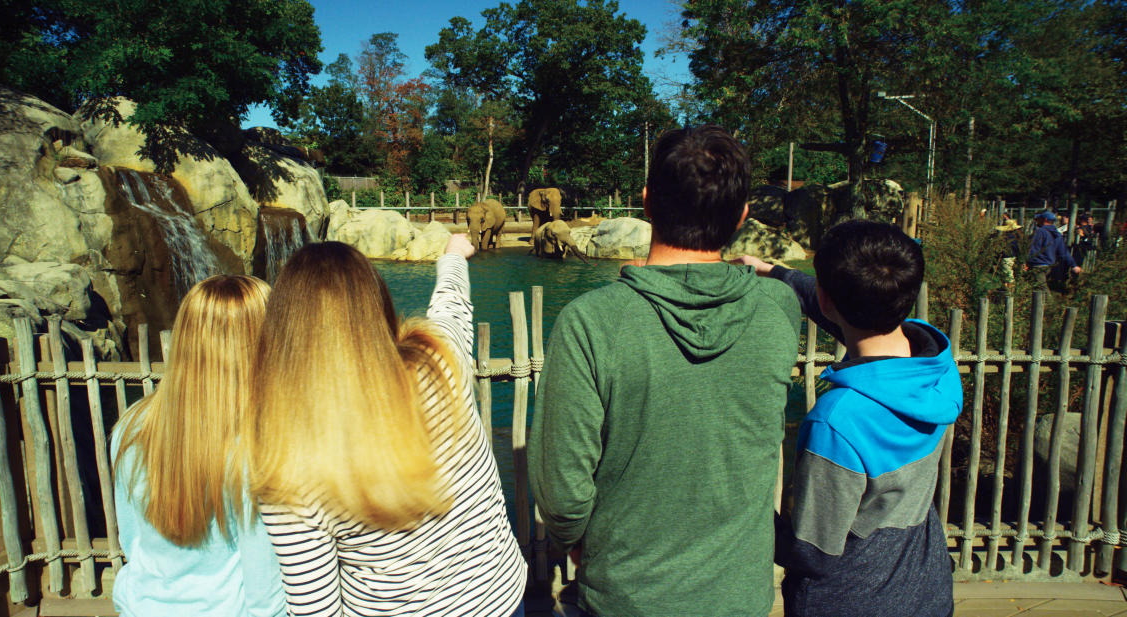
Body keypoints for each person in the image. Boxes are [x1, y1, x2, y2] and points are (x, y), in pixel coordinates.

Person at [529, 124, 802, 617]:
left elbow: (563, 490)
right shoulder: (777, 308)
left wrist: (578, 540)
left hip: (626, 597)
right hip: (740, 595)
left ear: (647, 202)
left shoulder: (591, 321)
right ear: (742, 216)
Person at [246, 236, 527, 617]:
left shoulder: (290, 466)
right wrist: (453, 256)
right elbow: (452, 306)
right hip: (498, 599)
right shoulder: (439, 365)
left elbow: (316, 609)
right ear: (377, 304)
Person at [735, 221, 962, 617]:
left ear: (827, 299)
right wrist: (774, 272)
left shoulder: (837, 422)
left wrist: (743, 502)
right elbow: (853, 318)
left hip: (848, 600)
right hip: (925, 591)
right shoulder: (934, 367)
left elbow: (811, 552)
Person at [112, 275, 283, 617]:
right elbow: (265, 591)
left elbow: (131, 539)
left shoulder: (131, 426)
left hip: (142, 607)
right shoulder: (255, 445)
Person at [1024, 210, 1081, 291]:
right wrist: (1073, 265)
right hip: (1049, 265)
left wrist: (1026, 261)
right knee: (1039, 288)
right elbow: (1063, 252)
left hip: (1038, 264)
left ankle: (1048, 300)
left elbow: (1033, 248)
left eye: (1039, 219)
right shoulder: (1057, 234)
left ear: (1045, 220)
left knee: (1041, 290)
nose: (1037, 221)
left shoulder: (1040, 232)